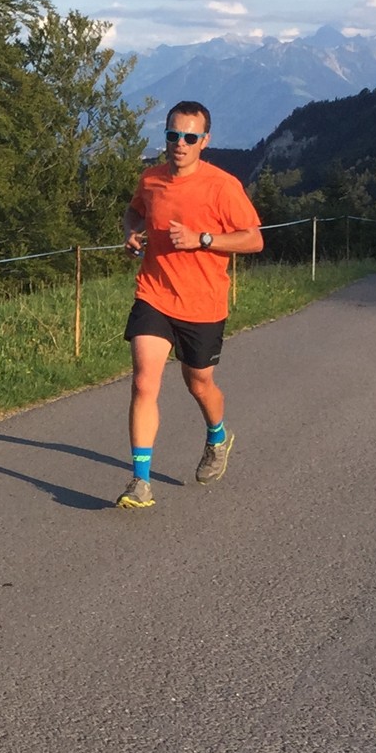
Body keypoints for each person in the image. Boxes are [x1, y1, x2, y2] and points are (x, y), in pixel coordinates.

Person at [115, 101, 265, 509]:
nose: (179, 144)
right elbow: (133, 212)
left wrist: (204, 239)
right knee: (144, 382)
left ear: (204, 141)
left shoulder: (222, 186)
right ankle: (140, 482)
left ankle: (217, 436)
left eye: (189, 137)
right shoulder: (151, 179)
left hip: (203, 304)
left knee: (198, 383)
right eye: (173, 135)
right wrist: (131, 234)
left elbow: (254, 239)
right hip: (154, 293)